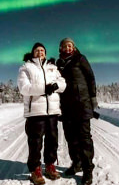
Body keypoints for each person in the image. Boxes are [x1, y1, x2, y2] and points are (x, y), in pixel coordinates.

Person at [17, 42, 66, 185]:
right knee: (35, 142)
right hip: (35, 112)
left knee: (52, 140)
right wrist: (45, 88)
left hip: (52, 111)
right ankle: (35, 170)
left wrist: (57, 86)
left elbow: (63, 83)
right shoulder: (26, 67)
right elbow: (24, 88)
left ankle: (50, 166)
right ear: (33, 53)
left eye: (42, 50)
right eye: (37, 50)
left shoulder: (52, 67)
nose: (40, 52)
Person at [56, 38, 98, 185]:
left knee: (84, 138)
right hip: (66, 106)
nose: (68, 48)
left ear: (73, 47)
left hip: (82, 103)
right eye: (65, 46)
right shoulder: (59, 64)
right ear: (61, 48)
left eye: (70, 45)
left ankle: (88, 170)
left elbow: (90, 78)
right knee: (70, 137)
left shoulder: (80, 58)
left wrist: (92, 98)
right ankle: (77, 163)